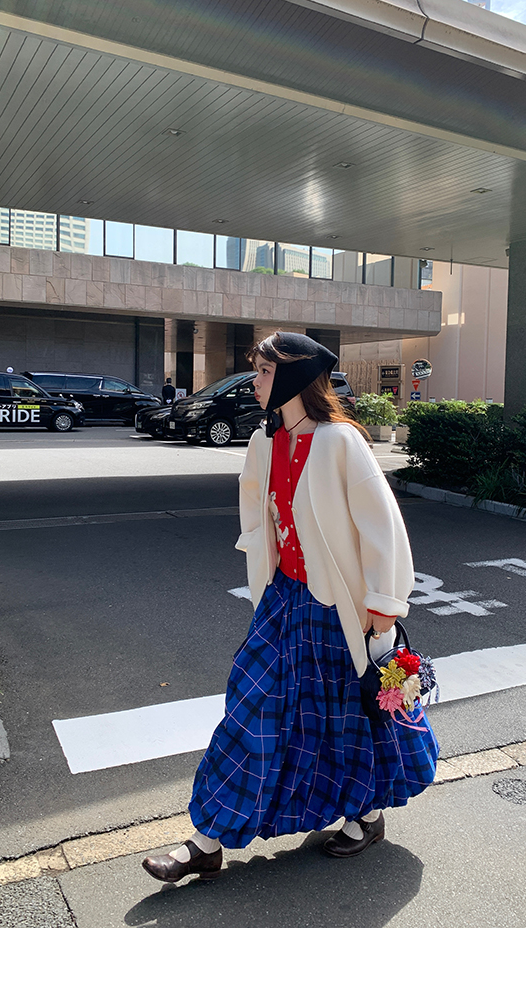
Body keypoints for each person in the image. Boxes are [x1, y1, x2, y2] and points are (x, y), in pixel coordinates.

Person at [142, 332, 438, 883]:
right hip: (283, 600)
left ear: (295, 378)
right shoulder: (265, 440)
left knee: (345, 719)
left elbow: (383, 527)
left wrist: (384, 606)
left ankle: (366, 816)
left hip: (338, 609)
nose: (254, 382)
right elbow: (259, 514)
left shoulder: (340, 441)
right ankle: (207, 839)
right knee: (251, 710)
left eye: (263, 372)